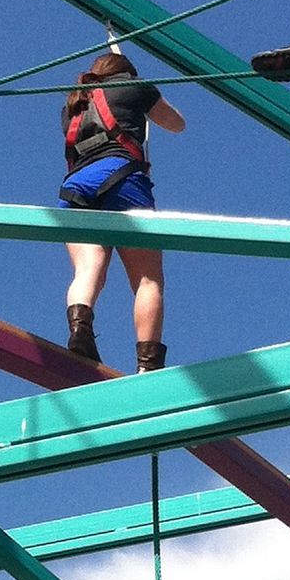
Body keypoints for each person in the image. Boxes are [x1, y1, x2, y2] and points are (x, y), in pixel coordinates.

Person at [57, 50, 184, 370]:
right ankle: (148, 363)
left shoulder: (74, 103)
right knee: (147, 279)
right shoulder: (134, 86)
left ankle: (79, 331)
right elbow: (176, 124)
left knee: (88, 270)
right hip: (122, 179)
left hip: (75, 188)